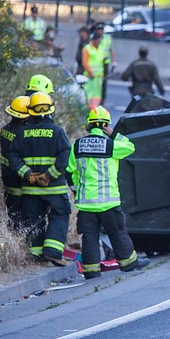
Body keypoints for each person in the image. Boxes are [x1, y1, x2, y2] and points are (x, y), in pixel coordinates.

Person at [66, 107, 150, 279]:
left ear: (89, 125)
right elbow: (130, 147)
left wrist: (76, 191)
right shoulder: (110, 145)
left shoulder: (77, 145)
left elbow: (69, 171)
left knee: (89, 237)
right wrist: (114, 134)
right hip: (108, 202)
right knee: (118, 232)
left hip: (87, 204)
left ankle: (91, 270)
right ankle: (128, 264)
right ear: (106, 125)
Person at [8, 92, 71, 265]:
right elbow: (65, 155)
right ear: (50, 111)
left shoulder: (22, 133)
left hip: (30, 189)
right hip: (54, 188)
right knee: (60, 215)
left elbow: (12, 157)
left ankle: (36, 255)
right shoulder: (58, 132)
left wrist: (27, 174)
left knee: (33, 219)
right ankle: (52, 252)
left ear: (30, 112)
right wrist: (49, 175)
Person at [0, 96, 31, 229]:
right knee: (20, 213)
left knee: (12, 210)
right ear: (24, 117)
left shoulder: (5, 129)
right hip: (18, 178)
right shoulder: (22, 134)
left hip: (7, 176)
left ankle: (13, 233)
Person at [93, 22, 116, 103]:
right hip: (95, 63)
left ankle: (101, 100)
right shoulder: (93, 38)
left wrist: (114, 62)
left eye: (101, 30)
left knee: (103, 83)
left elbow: (112, 50)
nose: (100, 31)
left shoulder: (107, 38)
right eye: (98, 30)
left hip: (104, 63)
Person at [81, 32, 104, 109]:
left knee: (97, 96)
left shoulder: (100, 49)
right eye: (99, 40)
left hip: (98, 78)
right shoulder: (87, 48)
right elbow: (85, 62)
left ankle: (95, 110)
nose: (100, 42)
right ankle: (87, 110)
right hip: (89, 77)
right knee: (88, 95)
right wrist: (90, 72)